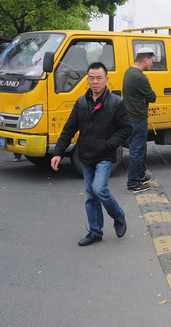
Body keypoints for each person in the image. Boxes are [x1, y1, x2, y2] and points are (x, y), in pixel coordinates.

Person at [51, 62, 132, 246]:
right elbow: (69, 129)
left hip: (105, 155)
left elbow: (127, 128)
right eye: (91, 78)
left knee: (99, 189)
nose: (95, 82)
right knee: (91, 196)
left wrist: (109, 143)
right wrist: (58, 153)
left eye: (99, 78)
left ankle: (118, 215)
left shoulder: (116, 103)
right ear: (87, 79)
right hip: (86, 155)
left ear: (106, 79)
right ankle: (95, 232)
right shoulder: (81, 102)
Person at [123, 47, 157, 194]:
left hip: (131, 117)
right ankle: (133, 184)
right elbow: (153, 97)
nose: (152, 64)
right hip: (137, 119)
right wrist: (145, 97)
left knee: (140, 149)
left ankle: (140, 176)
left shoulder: (129, 71)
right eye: (152, 61)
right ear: (145, 59)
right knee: (137, 151)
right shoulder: (140, 77)